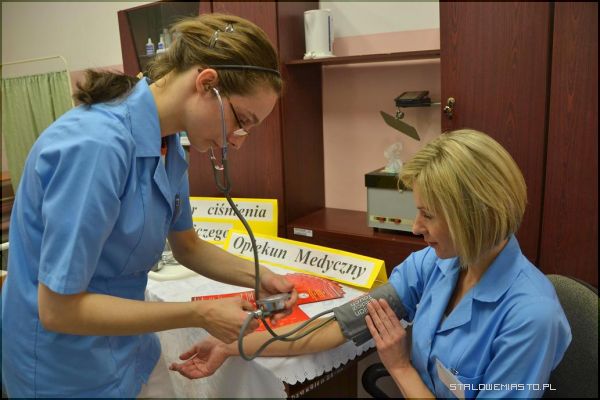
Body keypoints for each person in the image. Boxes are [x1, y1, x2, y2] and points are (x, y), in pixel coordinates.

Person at [1, 13, 298, 398]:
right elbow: (58, 309)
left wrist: (260, 276)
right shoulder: (95, 147)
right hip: (63, 367)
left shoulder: (168, 145)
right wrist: (199, 313)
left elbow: (188, 246)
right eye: (241, 120)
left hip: (128, 346)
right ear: (206, 83)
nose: (238, 141)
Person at [170, 129, 572, 399]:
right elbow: (338, 326)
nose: (416, 227)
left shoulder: (531, 319)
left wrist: (400, 368)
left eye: (428, 215)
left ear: (475, 217)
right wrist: (231, 347)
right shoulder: (434, 266)